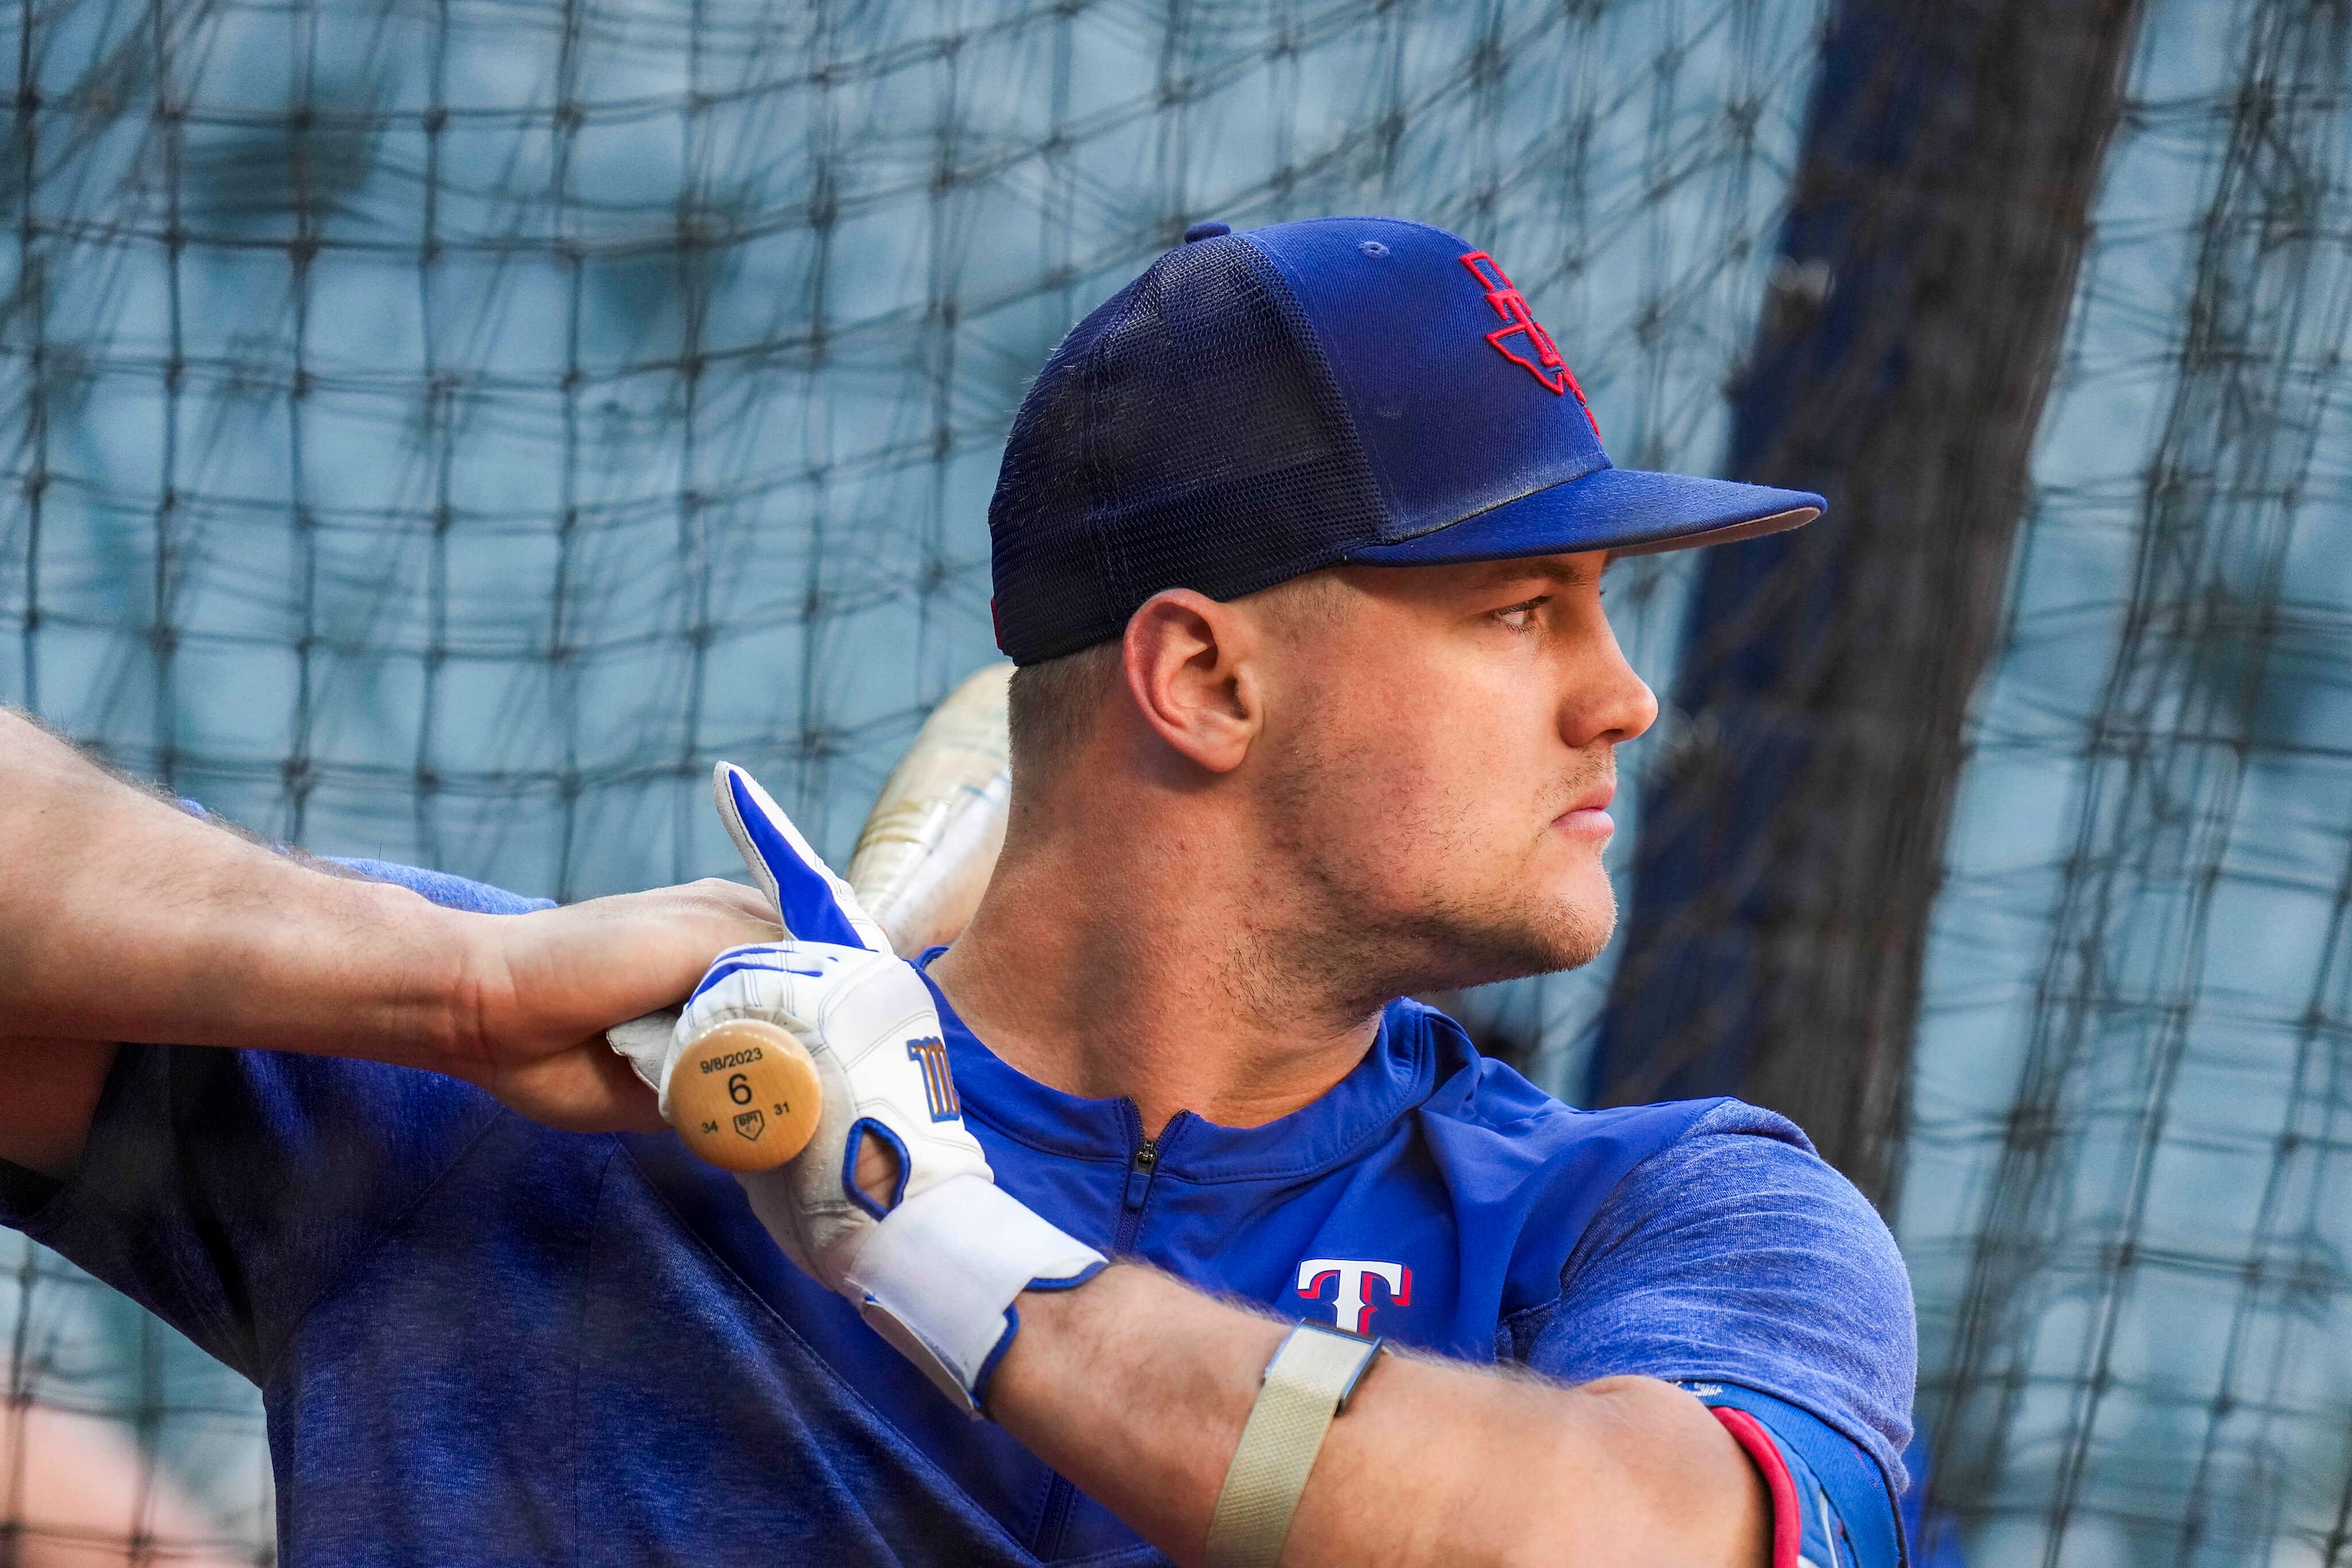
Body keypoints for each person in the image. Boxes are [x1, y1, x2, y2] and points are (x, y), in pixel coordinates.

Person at [0, 216, 1914, 1567]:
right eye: (1521, 614)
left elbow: (1614, 1545)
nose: (1621, 698)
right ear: (1203, 681)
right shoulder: (554, 1102)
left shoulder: (1663, 1220)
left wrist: (918, 1233)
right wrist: (454, 990)